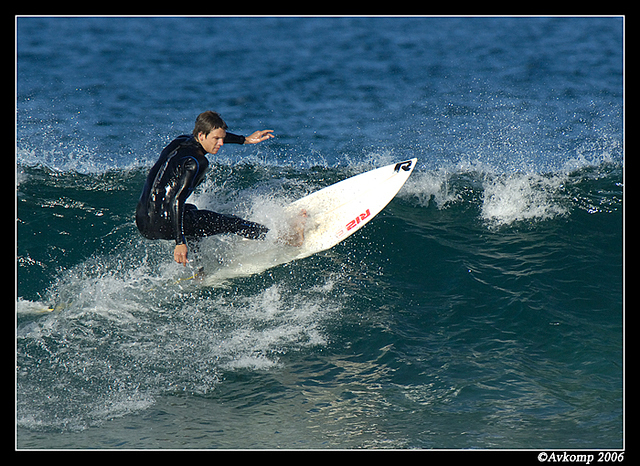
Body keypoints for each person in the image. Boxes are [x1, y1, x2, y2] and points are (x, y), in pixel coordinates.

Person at [136, 111, 275, 266]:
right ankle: (276, 237)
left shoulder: (180, 141)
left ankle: (199, 269)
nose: (221, 143)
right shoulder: (196, 163)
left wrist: (245, 140)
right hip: (164, 224)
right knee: (231, 222)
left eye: (222, 138)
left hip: (144, 221)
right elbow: (177, 199)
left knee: (192, 213)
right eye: (216, 139)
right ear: (201, 136)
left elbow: (215, 134)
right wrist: (179, 242)